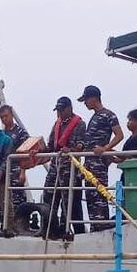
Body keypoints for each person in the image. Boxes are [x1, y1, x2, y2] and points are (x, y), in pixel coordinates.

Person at [78, 85, 123, 231]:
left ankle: (101, 227)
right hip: (89, 163)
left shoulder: (108, 115)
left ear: (94, 98)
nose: (85, 103)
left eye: (86, 99)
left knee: (99, 196)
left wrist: (105, 149)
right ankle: (94, 227)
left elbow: (119, 135)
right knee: (90, 196)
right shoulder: (95, 116)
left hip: (99, 164)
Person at [43, 96, 86, 238]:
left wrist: (71, 149)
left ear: (69, 108)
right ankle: (49, 225)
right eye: (58, 110)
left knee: (68, 200)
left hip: (69, 168)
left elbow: (81, 145)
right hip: (55, 167)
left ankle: (64, 227)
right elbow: (51, 146)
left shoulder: (79, 124)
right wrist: (38, 151)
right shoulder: (57, 125)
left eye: (61, 110)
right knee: (48, 195)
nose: (59, 113)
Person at [0, 104, 30, 215]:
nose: (4, 119)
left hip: (16, 171)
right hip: (3, 172)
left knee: (17, 200)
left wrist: (23, 172)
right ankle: (4, 225)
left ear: (11, 115)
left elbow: (25, 153)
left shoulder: (20, 133)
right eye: (2, 117)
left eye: (6, 116)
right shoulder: (1, 134)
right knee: (3, 201)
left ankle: (18, 224)